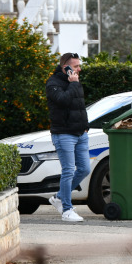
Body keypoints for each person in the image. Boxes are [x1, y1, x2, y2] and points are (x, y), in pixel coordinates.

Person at [45, 52, 89, 222]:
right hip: (64, 134)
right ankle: (67, 210)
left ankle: (59, 197)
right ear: (66, 68)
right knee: (68, 171)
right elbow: (62, 101)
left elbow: (79, 107)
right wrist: (73, 84)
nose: (79, 69)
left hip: (80, 133)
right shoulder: (53, 83)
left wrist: (85, 127)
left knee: (85, 169)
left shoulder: (75, 82)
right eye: (76, 66)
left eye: (79, 65)